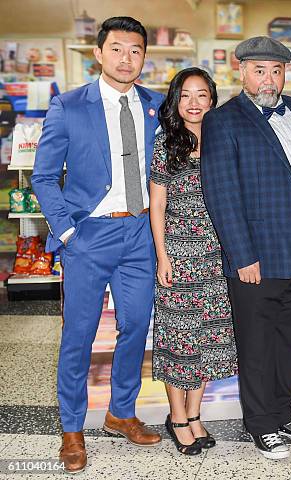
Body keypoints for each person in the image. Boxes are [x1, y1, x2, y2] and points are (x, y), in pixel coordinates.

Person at [31, 17, 165, 473]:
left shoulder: (157, 106)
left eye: (136, 50)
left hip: (140, 235)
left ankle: (120, 412)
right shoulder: (69, 106)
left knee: (135, 329)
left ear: (145, 57)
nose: (127, 58)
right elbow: (44, 176)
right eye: (118, 49)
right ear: (99, 53)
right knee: (80, 335)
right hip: (88, 235)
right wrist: (67, 232)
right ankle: (71, 428)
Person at [200, 36, 291, 460]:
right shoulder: (223, 120)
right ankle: (261, 423)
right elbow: (222, 194)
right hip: (257, 254)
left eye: (276, 70)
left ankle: (282, 412)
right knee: (257, 341)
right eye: (259, 70)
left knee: (290, 338)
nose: (268, 78)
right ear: (242, 71)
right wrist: (241, 255)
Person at [150, 67, 238, 455]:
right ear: (176, 100)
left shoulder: (223, 141)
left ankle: (196, 414)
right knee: (177, 341)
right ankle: (177, 417)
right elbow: (157, 205)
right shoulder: (166, 143)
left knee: (205, 339)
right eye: (186, 95)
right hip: (179, 255)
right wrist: (162, 255)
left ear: (212, 100)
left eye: (202, 94)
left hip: (216, 255)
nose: (194, 102)